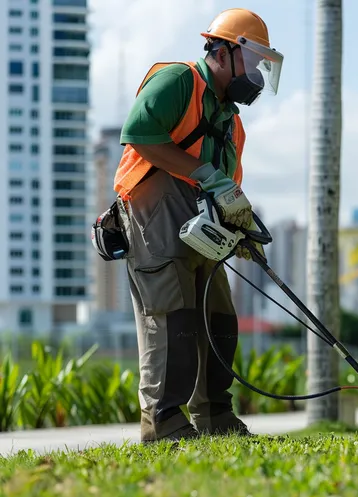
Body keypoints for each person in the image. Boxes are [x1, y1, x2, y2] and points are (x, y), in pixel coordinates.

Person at [111, 8, 283, 443]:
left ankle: (214, 416)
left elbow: (229, 187)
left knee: (219, 318)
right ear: (223, 52)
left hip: (202, 222)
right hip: (154, 213)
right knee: (174, 319)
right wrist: (204, 174)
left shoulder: (232, 124)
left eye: (266, 65)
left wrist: (242, 231)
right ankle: (163, 422)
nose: (258, 75)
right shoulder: (179, 80)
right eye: (254, 60)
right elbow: (139, 133)